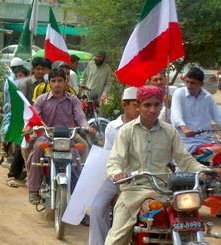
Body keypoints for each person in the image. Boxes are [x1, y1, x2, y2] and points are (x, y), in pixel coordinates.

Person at [105, 85, 213, 244]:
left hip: (164, 191)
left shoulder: (170, 131)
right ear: (138, 106)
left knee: (187, 221)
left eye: (156, 105)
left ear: (162, 105)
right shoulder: (126, 131)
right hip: (134, 191)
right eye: (147, 105)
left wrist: (206, 171)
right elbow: (115, 160)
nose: (152, 109)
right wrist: (117, 173)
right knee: (115, 239)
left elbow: (185, 159)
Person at [25, 68, 96, 205]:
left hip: (68, 137)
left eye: (60, 81)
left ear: (65, 83)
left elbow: (80, 118)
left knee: (78, 155)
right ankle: (34, 189)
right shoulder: (41, 100)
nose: (57, 84)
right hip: (47, 136)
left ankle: (78, 193)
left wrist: (87, 128)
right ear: (49, 83)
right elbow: (35, 117)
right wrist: (29, 127)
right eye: (53, 81)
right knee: (37, 151)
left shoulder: (73, 100)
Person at [89, 86, 139, 245]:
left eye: (141, 104)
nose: (139, 109)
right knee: (97, 207)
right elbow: (109, 157)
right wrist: (116, 175)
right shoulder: (112, 127)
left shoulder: (147, 127)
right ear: (125, 105)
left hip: (139, 179)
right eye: (135, 105)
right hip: (114, 177)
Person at [171, 67, 221, 153]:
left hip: (206, 140)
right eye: (187, 82)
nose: (189, 86)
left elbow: (218, 117)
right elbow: (176, 115)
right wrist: (185, 128)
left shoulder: (207, 97)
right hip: (185, 141)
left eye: (193, 83)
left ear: (201, 84)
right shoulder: (179, 93)